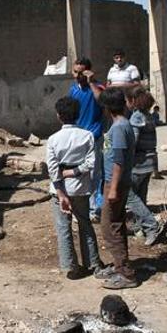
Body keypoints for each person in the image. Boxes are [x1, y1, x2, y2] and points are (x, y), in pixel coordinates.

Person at [46, 97, 103, 280]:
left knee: (64, 228)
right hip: (80, 189)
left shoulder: (53, 139)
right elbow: (91, 163)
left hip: (59, 191)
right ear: (78, 115)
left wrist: (61, 191)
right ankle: (93, 263)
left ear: (58, 116)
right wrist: (74, 172)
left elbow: (53, 169)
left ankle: (69, 266)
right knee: (85, 224)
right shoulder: (87, 136)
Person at [95, 87, 140, 289]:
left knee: (109, 227)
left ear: (107, 107)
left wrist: (112, 189)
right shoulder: (120, 125)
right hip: (115, 182)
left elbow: (119, 161)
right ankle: (119, 264)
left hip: (115, 183)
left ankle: (126, 274)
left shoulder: (120, 128)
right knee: (116, 224)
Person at [124, 88, 164, 246]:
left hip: (138, 163)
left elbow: (133, 142)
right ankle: (139, 229)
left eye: (128, 100)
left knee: (130, 196)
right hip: (148, 163)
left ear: (134, 101)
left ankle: (151, 225)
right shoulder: (149, 117)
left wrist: (126, 160)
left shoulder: (136, 117)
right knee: (141, 196)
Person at [68, 58, 106, 222]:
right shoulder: (73, 90)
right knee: (77, 173)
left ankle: (93, 210)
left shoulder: (97, 88)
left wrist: (91, 82)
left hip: (93, 137)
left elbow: (101, 101)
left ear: (88, 72)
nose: (78, 76)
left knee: (94, 175)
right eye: (75, 72)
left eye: (81, 72)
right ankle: (79, 208)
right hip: (77, 138)